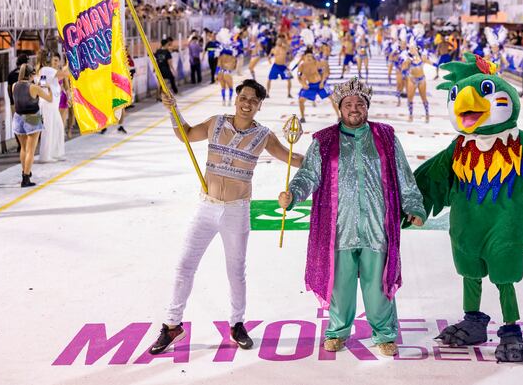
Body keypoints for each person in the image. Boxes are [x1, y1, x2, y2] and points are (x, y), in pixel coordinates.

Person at [148, 79, 304, 355]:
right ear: (236, 98)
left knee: (236, 272)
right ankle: (172, 325)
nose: (247, 104)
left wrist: (327, 152)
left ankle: (237, 324)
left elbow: (292, 159)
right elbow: (184, 133)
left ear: (259, 106)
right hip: (206, 207)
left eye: (253, 101)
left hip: (236, 210)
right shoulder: (215, 123)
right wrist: (173, 109)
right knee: (185, 266)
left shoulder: (264, 136)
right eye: (243, 98)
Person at [278, 77, 426, 357]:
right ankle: (337, 331)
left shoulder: (385, 136)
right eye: (348, 104)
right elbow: (308, 175)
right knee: (340, 285)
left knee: (378, 285)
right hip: (338, 226)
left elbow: (404, 177)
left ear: (367, 107)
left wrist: (414, 206)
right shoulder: (323, 141)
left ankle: (384, 333)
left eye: (360, 103)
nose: (354, 108)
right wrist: (293, 194)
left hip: (376, 225)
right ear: (339, 108)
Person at [12, 64, 52, 187]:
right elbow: (50, 99)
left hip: (18, 117)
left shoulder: (14, 86)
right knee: (31, 150)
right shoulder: (34, 87)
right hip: (32, 117)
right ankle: (26, 179)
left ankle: (25, 173)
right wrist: (48, 87)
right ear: (30, 75)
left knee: (23, 149)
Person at [37, 51, 69, 163]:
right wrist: (71, 63)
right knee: (48, 130)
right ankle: (45, 156)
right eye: (54, 60)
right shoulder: (46, 70)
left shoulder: (47, 71)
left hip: (52, 106)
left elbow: (42, 84)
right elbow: (66, 74)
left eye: (57, 60)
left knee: (58, 129)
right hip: (47, 105)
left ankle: (56, 153)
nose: (56, 62)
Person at [297, 48, 338, 123]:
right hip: (311, 86)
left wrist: (322, 82)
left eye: (310, 56)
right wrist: (303, 84)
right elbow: (299, 76)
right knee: (301, 100)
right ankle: (302, 117)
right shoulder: (301, 66)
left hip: (321, 84)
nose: (309, 58)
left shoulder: (316, 63)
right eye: (307, 56)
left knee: (333, 98)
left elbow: (324, 73)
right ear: (304, 57)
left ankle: (339, 116)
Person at [401, 43, 430, 123]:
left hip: (422, 79)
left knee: (423, 98)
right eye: (410, 48)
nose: (411, 50)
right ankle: (410, 115)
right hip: (412, 79)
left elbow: (429, 62)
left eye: (413, 48)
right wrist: (405, 63)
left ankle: (427, 114)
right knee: (410, 98)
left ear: (417, 48)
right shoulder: (408, 58)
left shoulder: (422, 56)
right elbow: (403, 68)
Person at [7, 54, 30, 152]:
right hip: (26, 103)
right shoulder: (27, 74)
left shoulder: (11, 74)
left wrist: (12, 101)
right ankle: (25, 143)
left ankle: (20, 144)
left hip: (15, 103)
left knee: (17, 123)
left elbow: (9, 90)